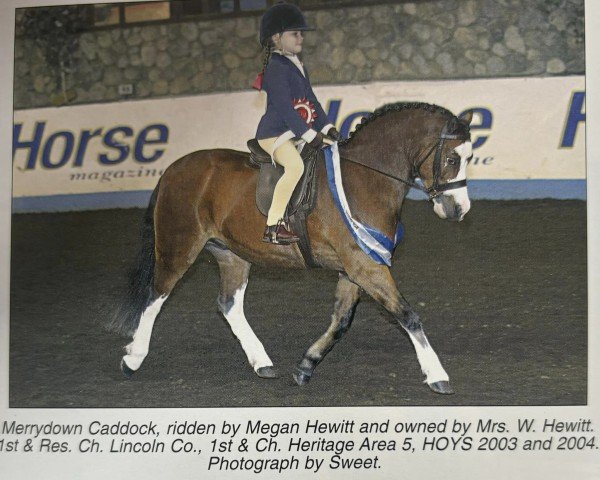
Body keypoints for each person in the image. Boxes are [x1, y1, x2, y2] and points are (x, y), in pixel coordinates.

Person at [254, 1, 340, 245]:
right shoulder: (276, 68)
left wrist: (327, 127)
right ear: (277, 38)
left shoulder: (297, 65)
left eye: (301, 33)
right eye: (295, 33)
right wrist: (310, 135)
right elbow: (285, 108)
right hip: (275, 133)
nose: (300, 37)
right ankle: (273, 225)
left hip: (295, 131)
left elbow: (311, 101)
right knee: (295, 168)